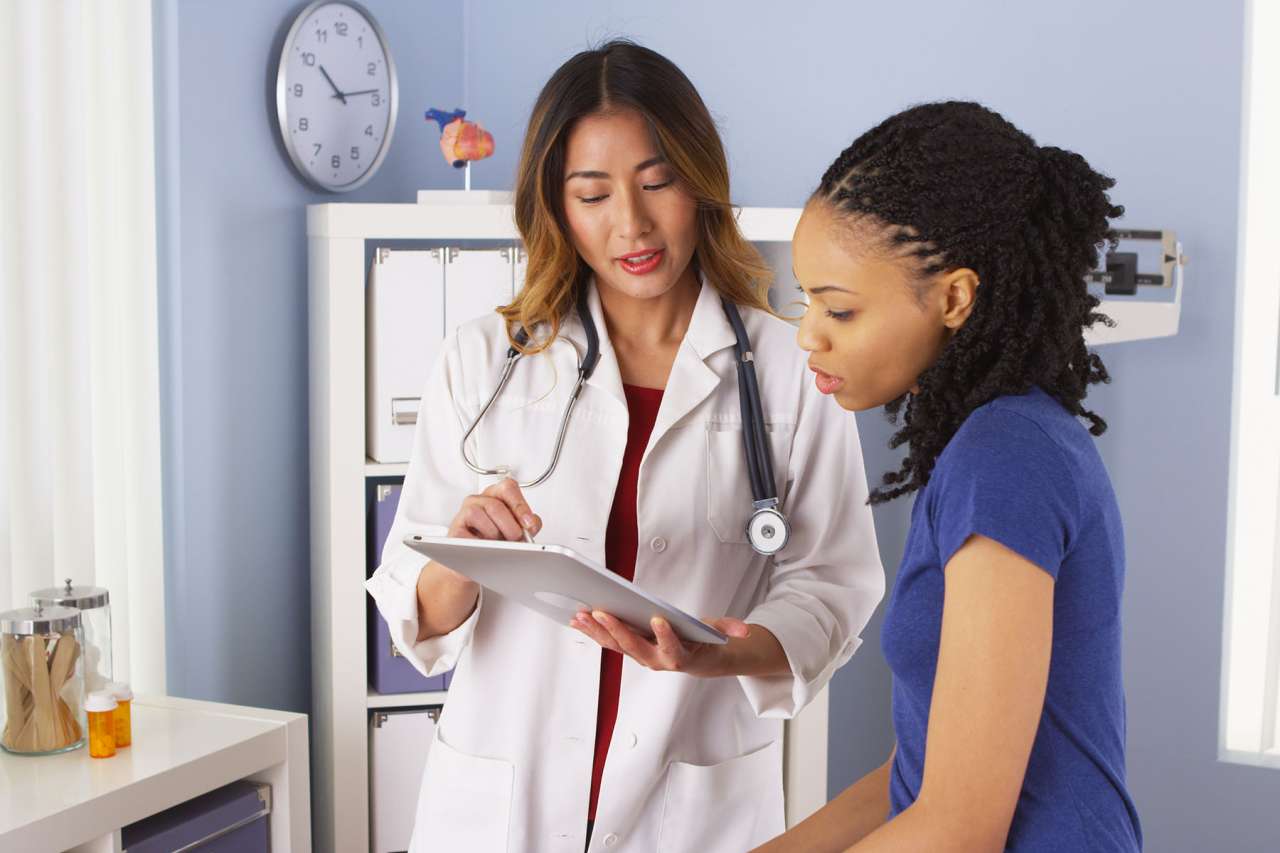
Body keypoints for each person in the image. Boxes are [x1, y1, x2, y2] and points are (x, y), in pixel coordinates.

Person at [365, 40, 884, 852]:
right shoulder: (484, 360)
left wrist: (725, 654)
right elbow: (414, 613)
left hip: (693, 805)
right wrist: (461, 557)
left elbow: (834, 580)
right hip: (504, 806)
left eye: (658, 181)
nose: (631, 224)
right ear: (557, 205)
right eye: (593, 193)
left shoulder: (788, 368)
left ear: (700, 182)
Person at [758, 101, 1143, 852]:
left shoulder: (1006, 455)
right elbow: (916, 774)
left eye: (839, 310)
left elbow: (958, 829)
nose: (808, 335)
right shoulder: (992, 444)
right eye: (807, 302)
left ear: (955, 298)